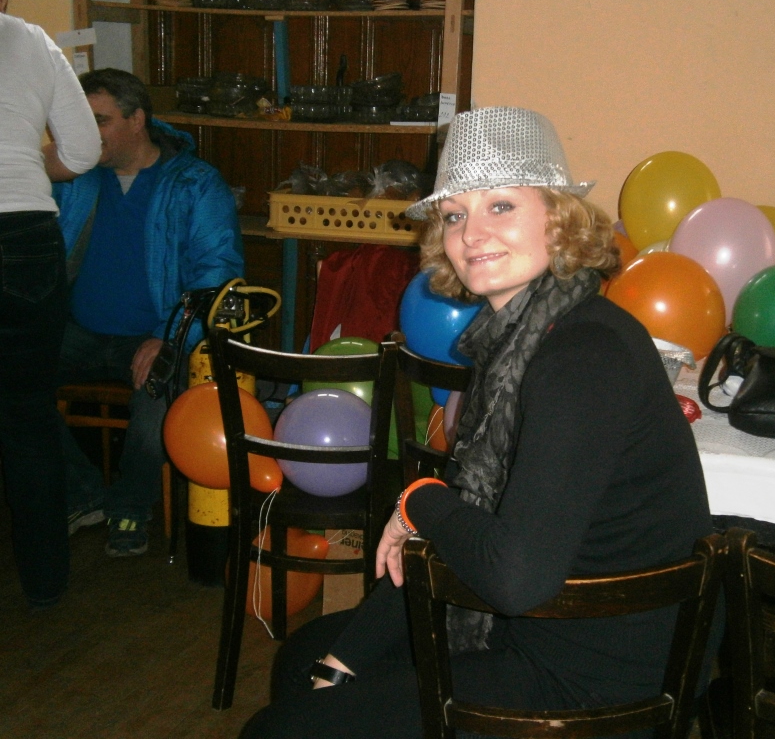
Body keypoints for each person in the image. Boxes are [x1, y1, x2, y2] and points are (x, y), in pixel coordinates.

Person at [240, 106, 719, 738]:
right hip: (541, 625)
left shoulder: (582, 355)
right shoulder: (520, 339)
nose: (472, 233)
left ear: (558, 218)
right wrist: (345, 659)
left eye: (501, 206)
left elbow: (513, 576)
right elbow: (470, 522)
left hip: (595, 677)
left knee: (277, 731)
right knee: (307, 659)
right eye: (454, 214)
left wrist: (420, 499)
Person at [54, 68, 244, 558]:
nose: (85, 132)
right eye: (79, 120)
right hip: (79, 332)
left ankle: (130, 505)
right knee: (12, 376)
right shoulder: (74, 180)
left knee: (156, 393)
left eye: (99, 120)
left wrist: (168, 335)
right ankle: (82, 491)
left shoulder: (195, 183)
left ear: (137, 120)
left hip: (156, 334)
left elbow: (217, 275)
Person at [0, 0, 101, 606]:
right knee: (28, 416)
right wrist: (22, 164)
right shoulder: (34, 42)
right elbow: (84, 151)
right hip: (26, 239)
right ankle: (44, 586)